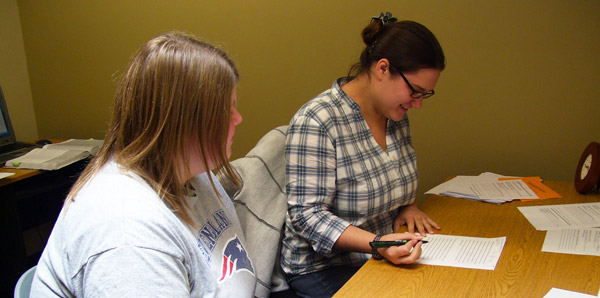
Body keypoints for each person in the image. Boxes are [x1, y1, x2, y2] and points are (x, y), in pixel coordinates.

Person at [30, 32, 256, 297]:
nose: (238, 119)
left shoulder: (197, 176)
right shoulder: (128, 236)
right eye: (226, 111)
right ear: (182, 123)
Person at [281, 12, 446, 298]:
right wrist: (378, 243)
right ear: (383, 68)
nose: (418, 104)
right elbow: (307, 216)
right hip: (323, 268)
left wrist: (407, 206)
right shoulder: (318, 120)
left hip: (376, 255)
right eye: (416, 92)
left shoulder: (394, 113)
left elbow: (393, 177)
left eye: (425, 95)